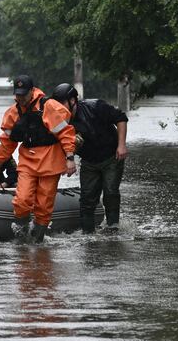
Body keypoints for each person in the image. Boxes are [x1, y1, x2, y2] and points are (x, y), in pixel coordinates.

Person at [0, 75, 76, 242]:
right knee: (22, 201)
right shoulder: (13, 113)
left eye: (23, 94)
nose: (20, 98)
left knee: (43, 207)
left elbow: (66, 134)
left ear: (32, 91)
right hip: (28, 162)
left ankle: (37, 241)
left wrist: (70, 158)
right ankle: (22, 238)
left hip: (51, 163)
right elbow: (7, 143)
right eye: (17, 94)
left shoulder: (48, 107)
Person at [51, 83, 128, 232]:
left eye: (61, 103)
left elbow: (121, 118)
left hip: (111, 157)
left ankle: (113, 229)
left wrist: (122, 145)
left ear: (72, 101)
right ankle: (88, 234)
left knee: (110, 192)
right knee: (87, 199)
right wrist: (66, 161)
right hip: (88, 161)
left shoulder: (95, 106)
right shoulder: (59, 121)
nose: (58, 108)